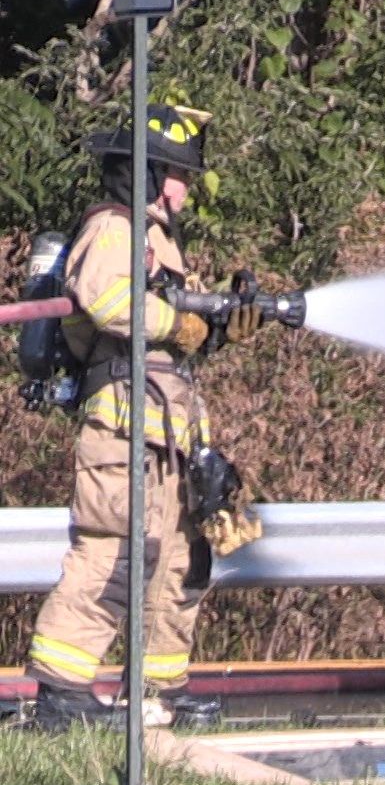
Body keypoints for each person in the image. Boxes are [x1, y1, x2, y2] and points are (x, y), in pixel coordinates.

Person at [26, 105, 262, 732]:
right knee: (114, 553)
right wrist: (178, 321)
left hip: (169, 433)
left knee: (179, 560)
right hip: (122, 433)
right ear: (150, 173)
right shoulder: (112, 227)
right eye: (179, 174)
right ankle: (62, 693)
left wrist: (218, 330)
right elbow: (109, 304)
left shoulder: (158, 241)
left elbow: (170, 340)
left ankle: (159, 688)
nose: (187, 188)